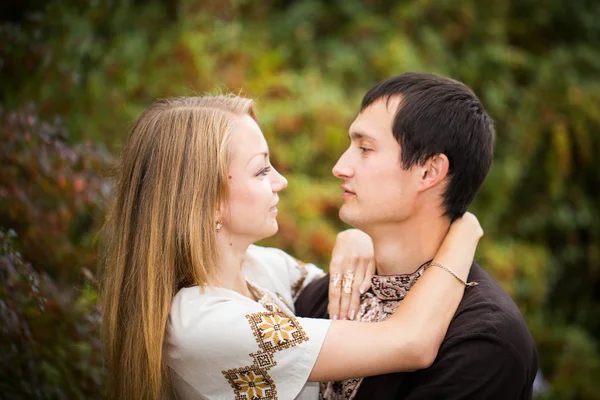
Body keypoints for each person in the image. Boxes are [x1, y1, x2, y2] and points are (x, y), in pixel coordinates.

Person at [101, 95, 483, 400]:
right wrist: (463, 231)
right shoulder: (199, 325)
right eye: (262, 170)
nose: (280, 181)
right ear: (211, 200)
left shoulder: (259, 268)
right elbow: (410, 342)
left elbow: (343, 291)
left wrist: (360, 236)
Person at [295, 72, 539, 399]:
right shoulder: (328, 294)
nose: (340, 166)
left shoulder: (484, 341)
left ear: (428, 172)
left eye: (365, 148)